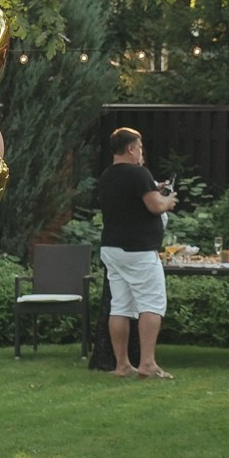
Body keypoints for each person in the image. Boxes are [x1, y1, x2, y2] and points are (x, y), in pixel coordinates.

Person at [97, 127, 178, 379]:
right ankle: (147, 364)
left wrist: (154, 187)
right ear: (131, 148)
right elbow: (154, 206)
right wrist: (168, 200)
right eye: (140, 148)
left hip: (112, 248)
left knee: (120, 306)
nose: (141, 152)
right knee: (151, 304)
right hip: (139, 250)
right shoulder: (139, 173)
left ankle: (122, 365)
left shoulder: (107, 176)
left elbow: (129, 201)